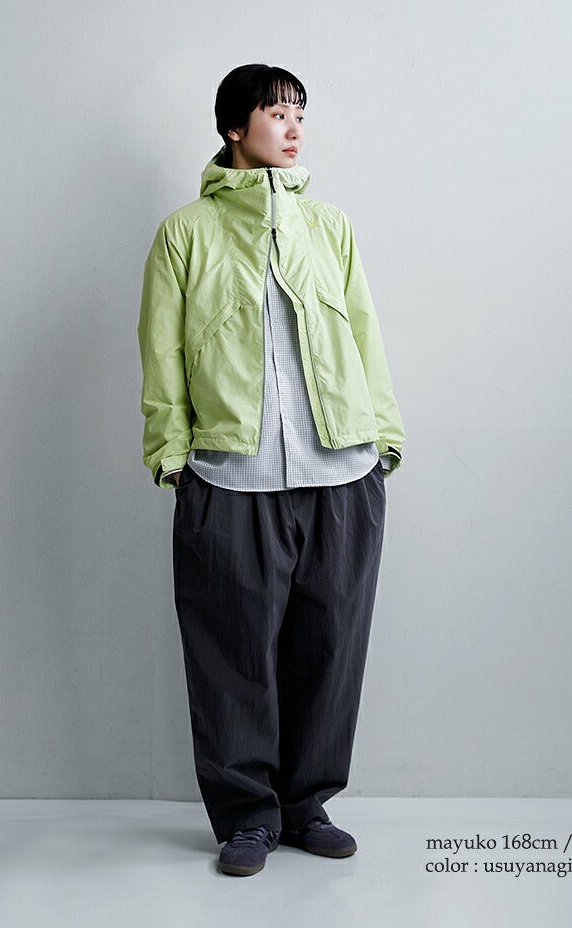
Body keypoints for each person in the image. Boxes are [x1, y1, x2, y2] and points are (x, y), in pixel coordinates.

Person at [137, 64, 405, 876]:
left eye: (300, 114)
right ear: (234, 127)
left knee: (330, 648)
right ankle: (247, 817)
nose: (293, 128)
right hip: (229, 477)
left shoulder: (330, 226)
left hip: (342, 472)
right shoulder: (185, 234)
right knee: (231, 655)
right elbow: (161, 354)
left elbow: (364, 334)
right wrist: (173, 459)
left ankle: (304, 805)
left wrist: (384, 440)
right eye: (276, 113)